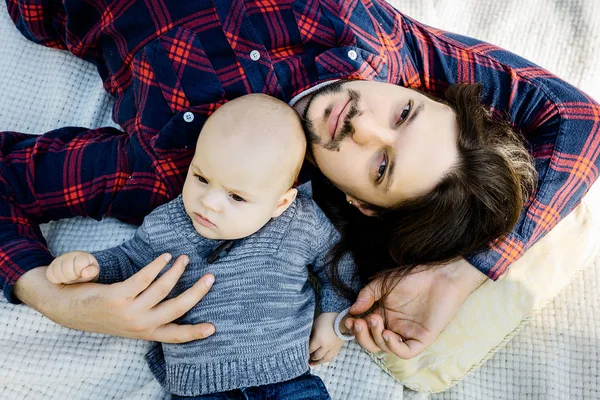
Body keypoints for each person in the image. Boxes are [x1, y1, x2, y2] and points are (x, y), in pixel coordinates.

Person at [2, 0, 599, 361]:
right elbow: (578, 120)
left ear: (360, 204)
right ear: (420, 90)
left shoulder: (196, 173)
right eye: (404, 114)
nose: (363, 122)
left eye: (380, 166)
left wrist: (48, 295)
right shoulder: (385, 43)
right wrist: (472, 269)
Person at [45, 94, 357, 399]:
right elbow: (129, 261)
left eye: (236, 197)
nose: (208, 203)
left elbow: (339, 262)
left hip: (287, 380)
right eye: (201, 177)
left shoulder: (298, 220)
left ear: (280, 202)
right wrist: (91, 266)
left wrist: (333, 317)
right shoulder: (168, 223)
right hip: (199, 388)